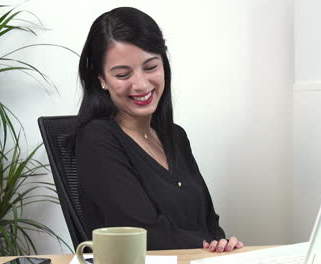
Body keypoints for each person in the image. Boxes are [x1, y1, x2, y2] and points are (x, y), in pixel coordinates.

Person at [75, 6, 243, 252]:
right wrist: (210, 248)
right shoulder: (96, 139)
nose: (141, 84)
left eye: (151, 67)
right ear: (101, 79)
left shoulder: (175, 136)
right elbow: (144, 235)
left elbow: (209, 224)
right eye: (122, 74)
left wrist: (224, 245)